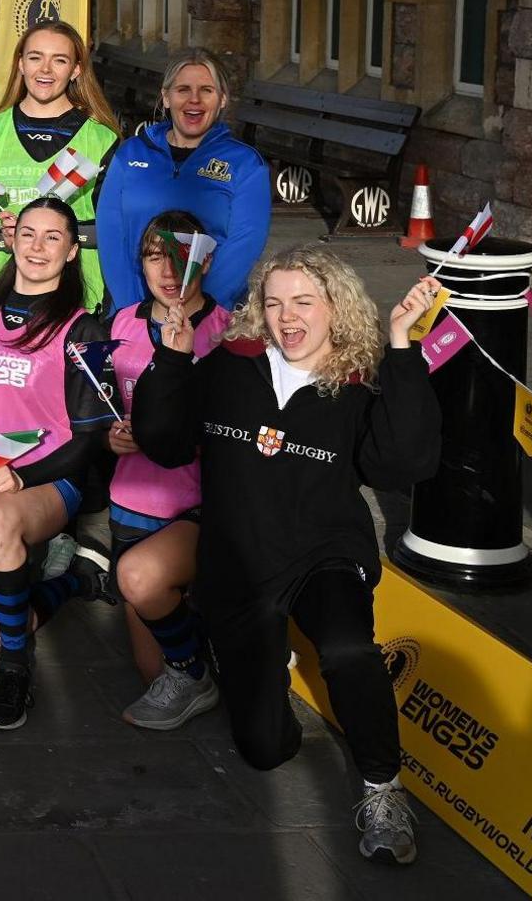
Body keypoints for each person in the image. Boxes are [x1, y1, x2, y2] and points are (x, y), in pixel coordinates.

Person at [132, 250, 441, 865]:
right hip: (241, 563)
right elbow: (163, 444)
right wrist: (171, 356)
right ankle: (253, 670)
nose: (285, 317)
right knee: (263, 747)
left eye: (303, 301)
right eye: (273, 302)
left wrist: (403, 345)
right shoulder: (230, 364)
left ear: (335, 307)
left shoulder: (360, 377)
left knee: (350, 649)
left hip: (325, 552)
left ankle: (383, 789)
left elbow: (403, 466)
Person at [0, 197, 117, 730]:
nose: (37, 247)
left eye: (53, 237)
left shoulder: (87, 330)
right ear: (11, 239)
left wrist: (23, 475)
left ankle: (14, 672)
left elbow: (92, 437)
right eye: (28, 233)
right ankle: (78, 580)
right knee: (16, 619)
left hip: (47, 481)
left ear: (73, 251)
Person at [104, 211, 232, 729]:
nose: (168, 270)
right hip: (132, 498)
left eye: (181, 258)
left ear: (206, 261)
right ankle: (195, 657)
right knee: (150, 670)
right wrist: (113, 437)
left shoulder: (229, 332)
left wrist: (179, 433)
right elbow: (109, 403)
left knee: (157, 591)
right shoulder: (122, 323)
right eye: (156, 256)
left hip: (197, 503)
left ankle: (213, 651)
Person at [0, 20, 121, 313]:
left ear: (76, 69)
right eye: (35, 57)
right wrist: (2, 238)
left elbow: (114, 228)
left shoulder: (101, 139)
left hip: (73, 299)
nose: (45, 70)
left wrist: (55, 235)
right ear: (20, 64)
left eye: (59, 60)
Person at [97, 48, 272, 310]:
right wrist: (133, 313)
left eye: (206, 90)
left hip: (210, 318)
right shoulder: (131, 154)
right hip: (134, 311)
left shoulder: (245, 164)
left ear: (222, 99)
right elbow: (112, 236)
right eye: (183, 90)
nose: (194, 100)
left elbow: (243, 246)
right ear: (166, 97)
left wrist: (199, 313)